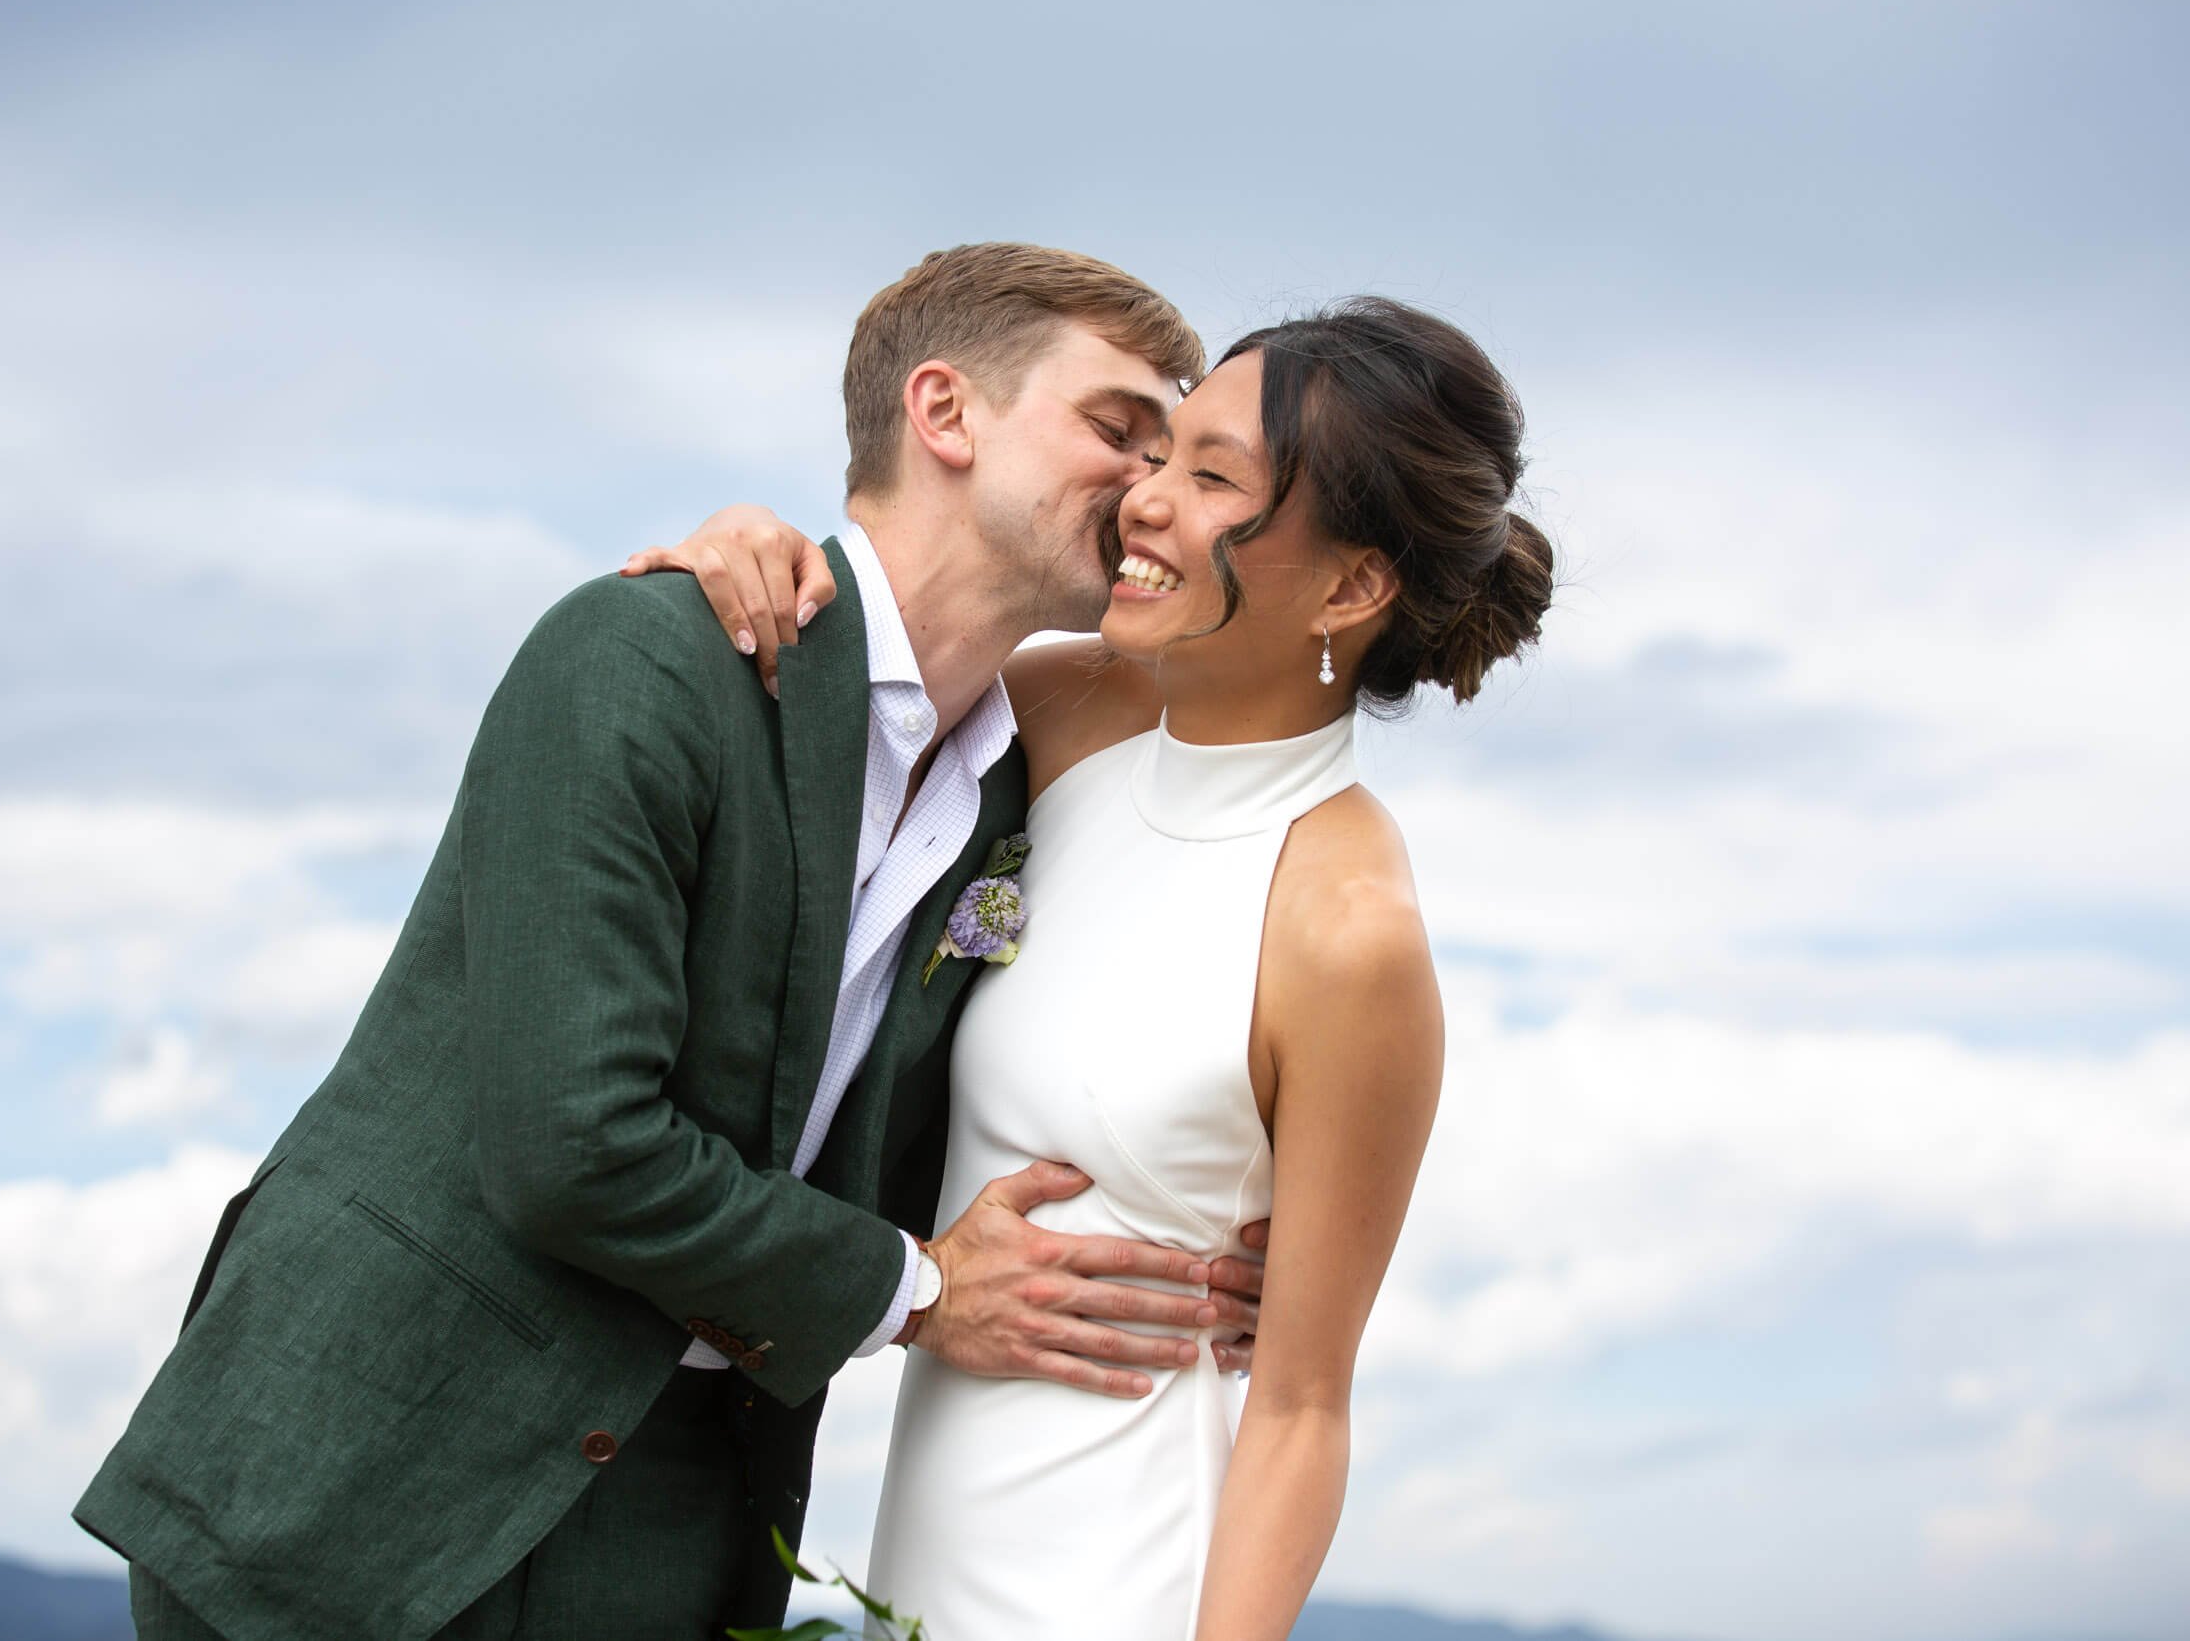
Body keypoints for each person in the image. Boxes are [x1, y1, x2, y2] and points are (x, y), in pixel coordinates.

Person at [71, 244, 1281, 1640]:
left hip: (684, 1513)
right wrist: (925, 1289)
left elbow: (980, 1102)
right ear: (943, 414)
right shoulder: (646, 658)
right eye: (1119, 431)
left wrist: (1203, 1246)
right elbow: (575, 1144)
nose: (1148, 490)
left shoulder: (1025, 790)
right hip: (362, 1476)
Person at [630, 295, 1555, 1638]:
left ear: (1355, 586)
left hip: (1127, 1571)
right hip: (928, 1548)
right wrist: (750, 547)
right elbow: (868, 642)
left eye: (1211, 478)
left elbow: (1301, 1407)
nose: (1146, 501)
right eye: (1160, 454)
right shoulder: (1060, 713)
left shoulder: (1348, 927)